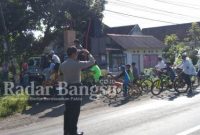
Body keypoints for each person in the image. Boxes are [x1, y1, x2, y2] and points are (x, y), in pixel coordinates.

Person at [60, 46, 95, 135]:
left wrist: (77, 52)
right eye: (75, 53)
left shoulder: (63, 64)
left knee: (67, 111)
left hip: (67, 88)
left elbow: (60, 77)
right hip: (76, 88)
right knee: (75, 111)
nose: (77, 54)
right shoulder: (77, 64)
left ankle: (66, 131)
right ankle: (73, 132)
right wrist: (87, 53)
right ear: (73, 54)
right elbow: (92, 62)